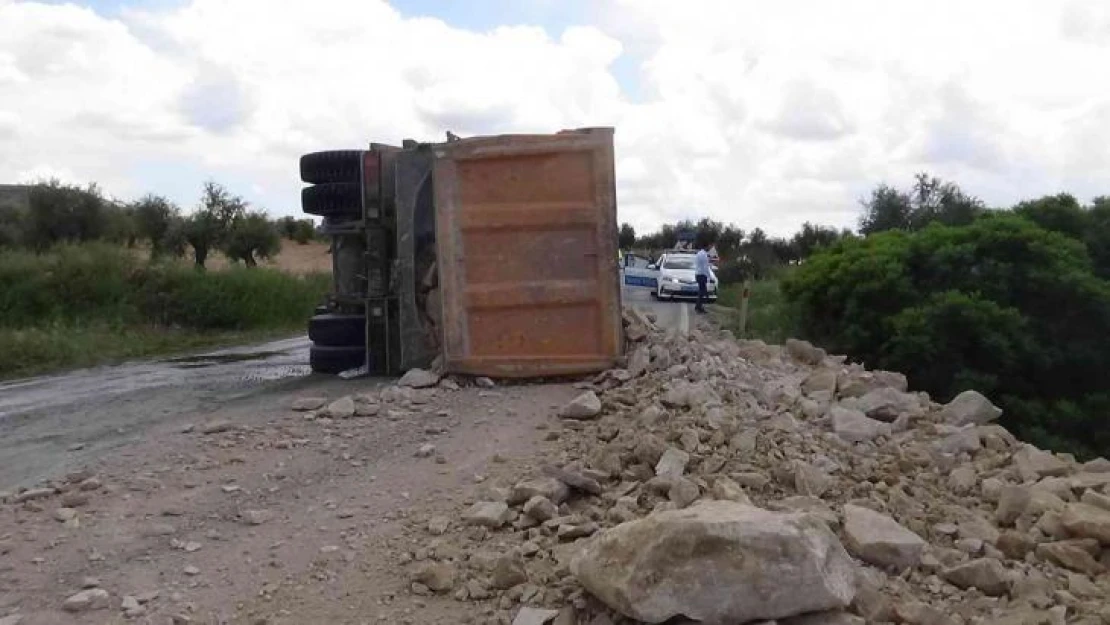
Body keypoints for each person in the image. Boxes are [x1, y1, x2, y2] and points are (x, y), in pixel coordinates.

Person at [694, 239, 712, 314]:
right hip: (702, 275)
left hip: (697, 274)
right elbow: (705, 267)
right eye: (709, 246)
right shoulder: (704, 255)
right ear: (706, 246)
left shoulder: (698, 253)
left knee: (702, 291)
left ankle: (698, 306)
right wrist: (709, 276)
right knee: (702, 291)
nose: (710, 248)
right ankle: (699, 307)